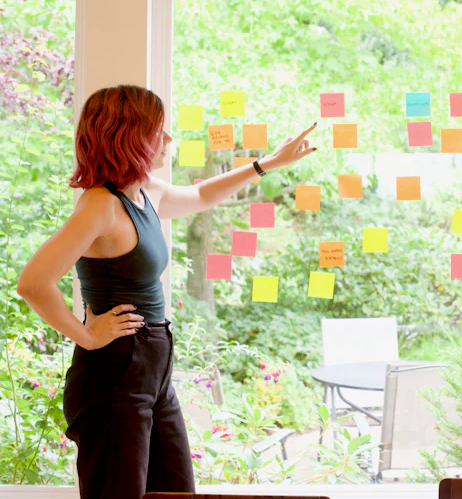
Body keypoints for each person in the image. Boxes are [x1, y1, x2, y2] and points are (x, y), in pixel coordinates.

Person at [16, 85, 316, 498]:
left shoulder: (145, 192)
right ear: (130, 136)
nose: (169, 139)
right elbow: (33, 282)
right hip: (114, 375)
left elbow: (203, 194)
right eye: (159, 130)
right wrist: (87, 335)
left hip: (153, 371)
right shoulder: (100, 206)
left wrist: (267, 164)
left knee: (176, 493)